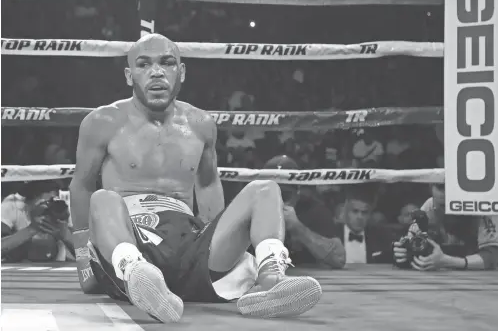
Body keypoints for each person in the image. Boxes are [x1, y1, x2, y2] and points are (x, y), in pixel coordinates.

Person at [69, 33, 322, 324]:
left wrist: (223, 243)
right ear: (129, 75)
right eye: (143, 65)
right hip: (132, 234)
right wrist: (83, 261)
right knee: (102, 198)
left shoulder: (201, 124)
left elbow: (207, 185)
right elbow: (82, 185)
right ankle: (137, 274)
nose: (156, 72)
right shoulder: (102, 122)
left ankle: (272, 279)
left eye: (167, 63)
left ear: (181, 71)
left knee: (265, 189)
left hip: (189, 241)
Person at [393, 183, 498, 270]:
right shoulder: (431, 206)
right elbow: (412, 243)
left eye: (449, 205)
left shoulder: (487, 205)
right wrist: (403, 252)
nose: (445, 210)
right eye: (440, 187)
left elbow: (491, 258)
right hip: (461, 264)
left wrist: (446, 261)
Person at [264, 155, 346, 269]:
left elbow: (339, 258)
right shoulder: (250, 213)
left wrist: (299, 229)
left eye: (284, 195)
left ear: (297, 192)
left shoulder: (316, 211)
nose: (279, 201)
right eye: (272, 194)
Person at [1, 181, 74, 262]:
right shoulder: (12, 204)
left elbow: (86, 256)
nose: (51, 206)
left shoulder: (63, 209)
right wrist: (31, 229)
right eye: (48, 202)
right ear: (32, 199)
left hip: (56, 265)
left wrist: (66, 235)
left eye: (55, 200)